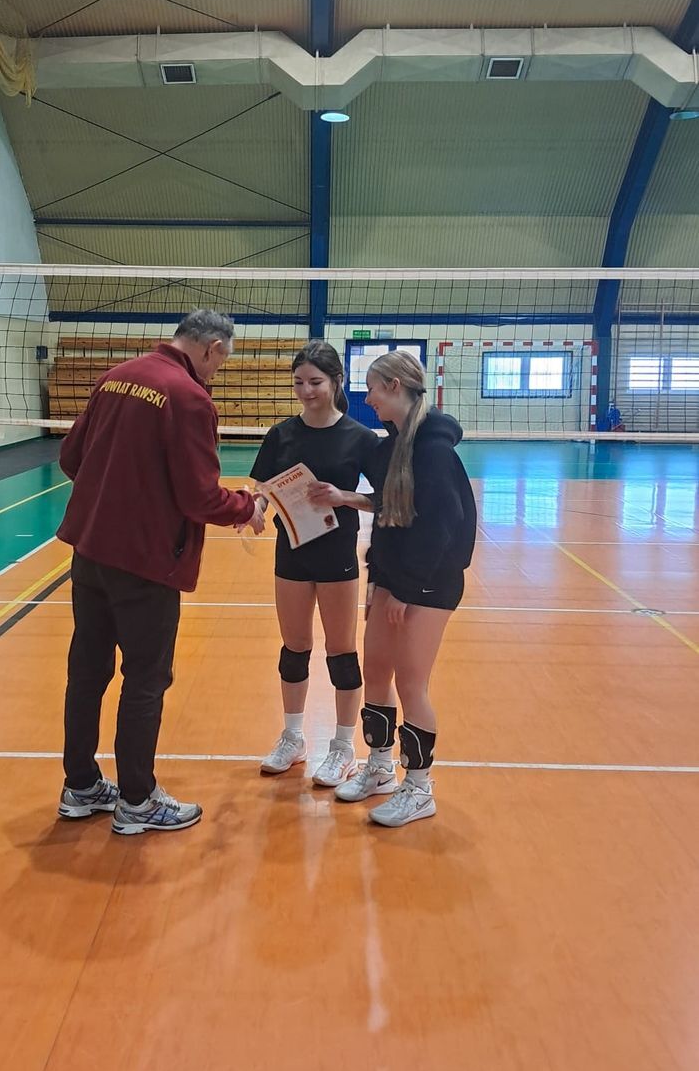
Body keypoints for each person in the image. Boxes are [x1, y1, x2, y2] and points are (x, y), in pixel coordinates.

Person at [56, 309, 263, 836]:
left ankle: (80, 785)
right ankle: (137, 800)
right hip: (145, 562)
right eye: (222, 361)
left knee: (88, 670)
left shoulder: (116, 376)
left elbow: (71, 458)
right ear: (212, 347)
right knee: (146, 678)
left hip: (91, 552)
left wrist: (120, 492)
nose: (218, 371)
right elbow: (199, 497)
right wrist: (247, 507)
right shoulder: (190, 398)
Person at [309, 350, 476, 828]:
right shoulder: (393, 447)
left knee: (411, 682)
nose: (367, 399)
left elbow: (445, 524)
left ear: (396, 386)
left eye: (373, 389)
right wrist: (346, 499)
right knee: (377, 670)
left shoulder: (432, 450)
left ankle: (419, 788)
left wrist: (410, 588)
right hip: (393, 577)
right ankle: (380, 767)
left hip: (429, 583)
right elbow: (388, 502)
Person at [249, 340, 379, 784]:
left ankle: (343, 747)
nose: (306, 391)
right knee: (294, 649)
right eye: (299, 382)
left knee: (341, 653)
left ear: (336, 381)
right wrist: (256, 510)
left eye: (316, 382)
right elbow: (263, 488)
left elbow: (383, 498)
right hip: (291, 552)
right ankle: (292, 737)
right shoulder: (281, 434)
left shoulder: (360, 437)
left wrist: (343, 497)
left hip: (337, 554)